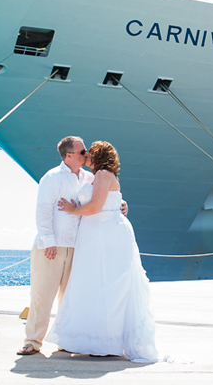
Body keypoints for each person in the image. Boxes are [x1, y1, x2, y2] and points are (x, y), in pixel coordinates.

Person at [48, 141, 159, 362]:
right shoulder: (102, 176)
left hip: (104, 235)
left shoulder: (101, 175)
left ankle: (104, 342)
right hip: (100, 234)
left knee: (105, 285)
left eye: (89, 152)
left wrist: (72, 209)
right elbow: (111, 200)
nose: (86, 154)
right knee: (103, 284)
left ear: (97, 156)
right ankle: (103, 340)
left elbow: (96, 206)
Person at [17, 136, 126, 356]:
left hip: (79, 247)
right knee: (42, 295)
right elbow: (43, 210)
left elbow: (106, 196)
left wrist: (122, 205)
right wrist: (48, 241)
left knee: (70, 297)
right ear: (69, 155)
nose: (87, 154)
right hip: (53, 246)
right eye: (83, 151)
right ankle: (32, 341)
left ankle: (66, 340)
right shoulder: (52, 177)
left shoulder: (89, 177)